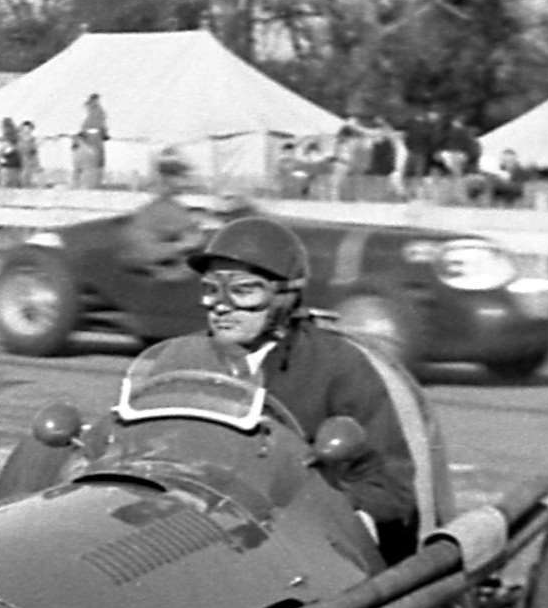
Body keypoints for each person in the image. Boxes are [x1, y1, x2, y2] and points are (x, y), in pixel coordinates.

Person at [141, 214, 419, 552]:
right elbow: (141, 454)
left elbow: (393, 489)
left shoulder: (340, 366)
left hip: (294, 549)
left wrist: (312, 505)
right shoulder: (178, 362)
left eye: (243, 291)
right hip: (185, 536)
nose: (221, 306)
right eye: (211, 290)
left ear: (285, 295)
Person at [119, 151, 202, 278]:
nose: (186, 181)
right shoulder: (154, 211)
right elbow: (142, 253)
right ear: (167, 179)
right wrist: (183, 245)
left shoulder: (173, 207)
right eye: (180, 176)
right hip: (155, 278)